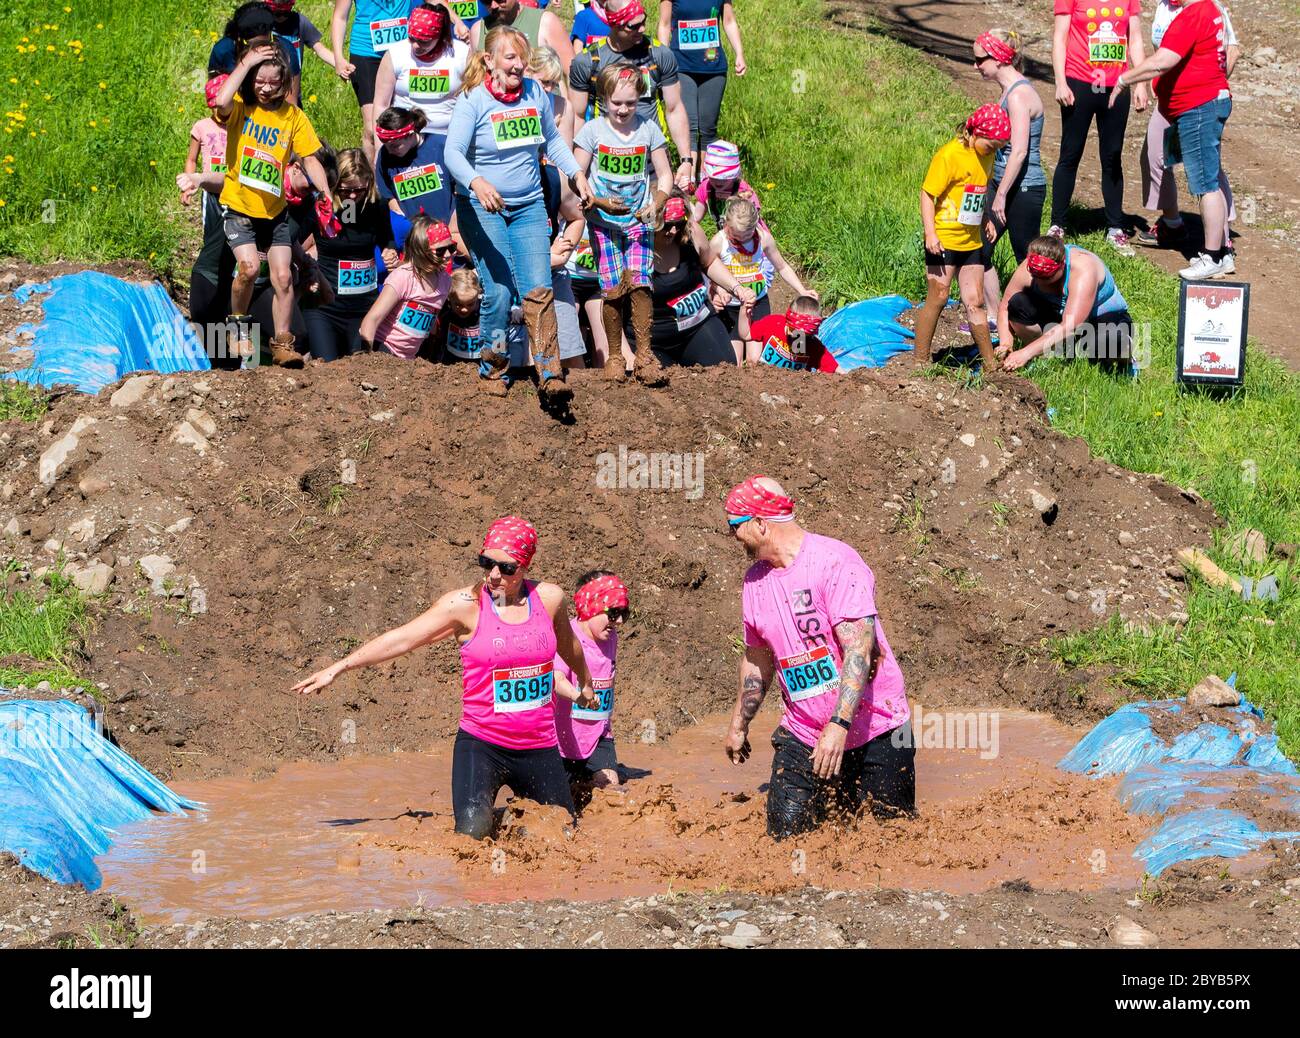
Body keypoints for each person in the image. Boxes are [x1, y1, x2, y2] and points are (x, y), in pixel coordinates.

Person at [294, 516, 599, 841]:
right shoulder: (464, 606)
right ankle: (494, 818)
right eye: (487, 563)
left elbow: (570, 645)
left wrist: (586, 683)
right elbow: (402, 639)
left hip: (539, 746)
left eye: (506, 568)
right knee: (471, 835)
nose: (494, 575)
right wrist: (339, 667)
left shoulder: (549, 599)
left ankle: (512, 814)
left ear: (525, 566)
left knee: (563, 836)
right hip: (483, 746)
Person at [722, 476, 915, 841]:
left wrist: (839, 725)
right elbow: (757, 659)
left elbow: (859, 649)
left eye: (736, 525)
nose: (734, 536)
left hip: (878, 730)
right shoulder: (754, 583)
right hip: (803, 732)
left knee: (890, 846)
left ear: (761, 523)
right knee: (786, 840)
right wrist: (738, 723)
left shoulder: (835, 562)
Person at [442, 26, 594, 400]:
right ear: (489, 60)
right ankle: (493, 366)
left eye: (522, 58)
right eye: (510, 57)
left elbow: (553, 140)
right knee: (497, 289)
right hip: (480, 205)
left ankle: (549, 371)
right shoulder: (473, 100)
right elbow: (452, 154)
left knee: (538, 287)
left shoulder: (534, 92)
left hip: (528, 204)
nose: (518, 65)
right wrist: (477, 183)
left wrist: (575, 173)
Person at [212, 40, 332, 366]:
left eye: (273, 83)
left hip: (274, 212)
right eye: (259, 81)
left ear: (285, 83)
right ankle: (236, 330)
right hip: (239, 206)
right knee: (249, 268)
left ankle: (283, 344)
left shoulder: (293, 117)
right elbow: (220, 100)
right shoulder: (240, 106)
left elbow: (311, 157)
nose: (265, 89)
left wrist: (325, 192)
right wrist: (246, 62)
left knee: (283, 277)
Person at [1114, 0, 1235, 278]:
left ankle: (1213, 255)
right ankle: (1221, 254)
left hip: (1198, 106)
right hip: (1196, 102)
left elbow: (1163, 61)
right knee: (1206, 178)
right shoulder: (1209, 10)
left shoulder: (1194, 14)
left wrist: (1125, 79)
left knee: (1204, 182)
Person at [574, 61, 675, 384]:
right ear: (603, 99)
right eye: (616, 103)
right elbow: (578, 180)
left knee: (641, 283)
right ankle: (615, 356)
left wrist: (656, 204)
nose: (623, 109)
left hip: (638, 221)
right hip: (603, 222)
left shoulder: (647, 129)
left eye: (630, 103)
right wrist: (600, 202)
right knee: (613, 288)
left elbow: (665, 175)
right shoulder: (592, 131)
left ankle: (644, 355)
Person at [912, 104, 1009, 371]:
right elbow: (927, 194)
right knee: (939, 297)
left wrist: (986, 218)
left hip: (972, 242)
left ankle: (990, 366)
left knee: (975, 301)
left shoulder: (986, 156)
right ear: (974, 133)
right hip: (942, 240)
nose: (994, 151)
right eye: (990, 146)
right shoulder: (949, 156)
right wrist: (930, 233)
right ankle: (920, 361)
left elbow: (981, 188)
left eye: (998, 147)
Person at [1050, 0, 1148, 254]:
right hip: (1079, 81)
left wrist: (1140, 83)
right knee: (1070, 153)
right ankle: (1058, 224)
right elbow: (1060, 38)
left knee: (1112, 156)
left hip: (1117, 86)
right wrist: (1060, 82)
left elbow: (1135, 39)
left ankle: (1115, 228)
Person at [568, 0, 694, 190]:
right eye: (633, 26)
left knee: (655, 216)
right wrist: (577, 169)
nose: (642, 29)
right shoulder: (588, 61)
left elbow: (674, 108)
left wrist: (686, 159)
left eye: (644, 21)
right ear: (614, 24)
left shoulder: (659, 54)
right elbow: (577, 116)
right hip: (604, 158)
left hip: (652, 156)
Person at [974, 30, 1046, 322]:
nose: (975, 65)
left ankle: (1039, 320)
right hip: (1002, 183)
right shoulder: (1007, 92)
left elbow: (1018, 152)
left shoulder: (1019, 95)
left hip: (1023, 190)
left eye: (980, 59)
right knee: (980, 249)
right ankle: (993, 317)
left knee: (1028, 261)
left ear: (999, 58)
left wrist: (1001, 195)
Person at [303, 148, 399, 361]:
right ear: (335, 184)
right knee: (326, 370)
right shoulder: (319, 205)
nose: (353, 196)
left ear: (369, 182)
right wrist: (305, 268)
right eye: (346, 190)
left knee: (359, 369)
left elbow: (387, 238)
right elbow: (292, 241)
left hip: (364, 309)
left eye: (359, 189)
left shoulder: (377, 206)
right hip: (325, 308)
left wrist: (389, 250)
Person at [995, 234, 1135, 374]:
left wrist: (1026, 353)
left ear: (1062, 265)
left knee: (1111, 338)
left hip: (1100, 318)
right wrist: (1005, 343)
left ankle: (1127, 363)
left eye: (1048, 278)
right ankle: (1046, 357)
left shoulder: (1083, 269)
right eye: (1036, 277)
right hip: (1060, 316)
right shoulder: (1031, 264)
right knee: (1017, 303)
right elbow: (1004, 307)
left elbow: (1071, 325)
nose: (1041, 282)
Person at [709, 196, 815, 364]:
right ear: (726, 224)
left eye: (747, 236)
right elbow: (707, 270)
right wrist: (717, 290)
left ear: (755, 225)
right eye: (736, 235)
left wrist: (802, 290)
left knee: (755, 360)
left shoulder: (764, 238)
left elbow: (782, 267)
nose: (742, 240)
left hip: (757, 303)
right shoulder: (719, 242)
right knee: (731, 363)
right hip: (731, 308)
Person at [644, 192, 745, 367]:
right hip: (656, 339)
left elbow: (710, 261)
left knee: (726, 368)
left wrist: (736, 288)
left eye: (679, 223)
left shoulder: (690, 231)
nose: (674, 231)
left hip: (698, 323)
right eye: (668, 226)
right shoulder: (637, 247)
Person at [553, 571, 629, 793]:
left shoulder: (610, 636)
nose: (620, 621)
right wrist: (579, 697)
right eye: (614, 613)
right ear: (590, 607)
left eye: (625, 613)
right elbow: (556, 680)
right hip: (561, 740)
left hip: (598, 736)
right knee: (559, 799)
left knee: (611, 790)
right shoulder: (567, 636)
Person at [657, 0, 745, 178]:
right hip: (681, 67)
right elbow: (664, 24)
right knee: (689, 127)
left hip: (714, 68)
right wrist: (662, 61)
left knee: (708, 130)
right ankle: (688, 182)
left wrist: (739, 53)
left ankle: (705, 182)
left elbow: (728, 21)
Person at [373, 3, 472, 158]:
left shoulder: (461, 54)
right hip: (404, 142)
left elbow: (474, 100)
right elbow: (380, 104)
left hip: (449, 138)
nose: (416, 46)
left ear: (440, 36)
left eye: (424, 41)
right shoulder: (395, 54)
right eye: (412, 39)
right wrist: (380, 151)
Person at [332, 0, 420, 157]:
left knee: (405, 124)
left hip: (402, 53)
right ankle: (373, 179)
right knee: (373, 129)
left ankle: (402, 173)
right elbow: (340, 16)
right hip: (366, 53)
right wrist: (338, 57)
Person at [358, 215, 455, 357]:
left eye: (451, 247)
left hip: (410, 358)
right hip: (383, 349)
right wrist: (367, 360)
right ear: (422, 250)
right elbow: (371, 320)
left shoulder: (446, 281)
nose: (448, 255)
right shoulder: (403, 276)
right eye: (440, 251)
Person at [374, 107, 456, 234]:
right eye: (386, 146)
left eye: (395, 146)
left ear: (410, 135)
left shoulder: (440, 146)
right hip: (414, 234)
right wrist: (404, 225)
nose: (390, 151)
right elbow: (389, 196)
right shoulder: (385, 155)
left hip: (448, 228)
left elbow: (459, 189)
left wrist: (454, 226)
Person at [471, 0, 573, 76]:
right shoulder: (477, 30)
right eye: (486, 1)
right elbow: (472, 79)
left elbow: (572, 75)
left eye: (500, 0)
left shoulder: (545, 22)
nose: (493, 5)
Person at [267, 0, 336, 105]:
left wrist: (339, 63)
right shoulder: (263, 23)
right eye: (276, 13)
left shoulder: (299, 22)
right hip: (266, 90)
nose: (281, 17)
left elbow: (320, 49)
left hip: (292, 92)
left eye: (285, 13)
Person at [186, 76, 231, 233]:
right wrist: (188, 185)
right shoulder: (201, 127)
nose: (221, 111)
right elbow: (192, 159)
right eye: (216, 107)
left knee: (235, 236)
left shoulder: (240, 126)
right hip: (211, 193)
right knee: (211, 234)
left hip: (234, 191)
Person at [749, 296, 838, 373]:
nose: (799, 338)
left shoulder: (813, 346)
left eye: (805, 335)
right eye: (795, 332)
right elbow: (748, 334)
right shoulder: (774, 323)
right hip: (764, 376)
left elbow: (836, 370)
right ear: (787, 322)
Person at [691, 139, 764, 232]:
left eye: (723, 178)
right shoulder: (706, 187)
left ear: (734, 175)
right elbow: (696, 217)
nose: (718, 182)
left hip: (748, 233)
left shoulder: (742, 190)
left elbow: (753, 220)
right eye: (714, 178)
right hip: (728, 234)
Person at [209, 2, 296, 78]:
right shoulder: (223, 50)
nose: (259, 50)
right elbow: (213, 92)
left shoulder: (287, 50)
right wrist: (246, 64)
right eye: (253, 45)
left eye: (265, 44)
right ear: (239, 39)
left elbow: (292, 96)